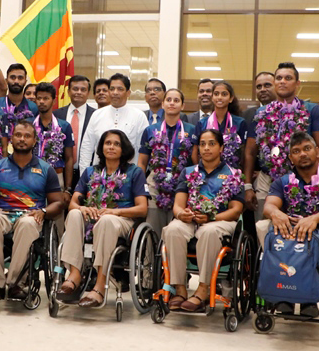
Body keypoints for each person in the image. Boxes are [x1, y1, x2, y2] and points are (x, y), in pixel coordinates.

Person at [257, 131, 319, 318]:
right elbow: (269, 206)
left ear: (317, 151)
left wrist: (314, 218)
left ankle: (316, 276)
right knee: (262, 225)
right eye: (296, 151)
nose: (302, 154)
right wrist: (277, 214)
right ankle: (282, 294)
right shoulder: (282, 182)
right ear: (291, 158)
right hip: (288, 237)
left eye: (307, 148)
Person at [56, 130, 148, 307]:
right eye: (107, 143)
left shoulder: (134, 172)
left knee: (106, 220)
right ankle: (74, 274)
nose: (111, 147)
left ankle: (100, 285)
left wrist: (115, 212)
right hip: (93, 217)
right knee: (75, 214)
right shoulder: (91, 171)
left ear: (124, 149)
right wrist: (82, 208)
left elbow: (142, 209)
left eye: (116, 144)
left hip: (121, 219)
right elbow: (73, 203)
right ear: (101, 147)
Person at [162, 128, 245, 313]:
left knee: (208, 232)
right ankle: (180, 288)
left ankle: (203, 288)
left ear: (221, 148)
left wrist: (211, 217)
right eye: (202, 144)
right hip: (191, 219)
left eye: (212, 144)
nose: (206, 148)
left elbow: (236, 210)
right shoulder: (189, 171)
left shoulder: (233, 174)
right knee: (173, 229)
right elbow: (178, 205)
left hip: (220, 220)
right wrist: (181, 214)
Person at [0, 120, 65, 298]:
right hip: (3, 213)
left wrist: (44, 211)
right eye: (18, 135)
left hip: (31, 215)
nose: (22, 139)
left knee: (27, 224)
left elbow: (58, 202)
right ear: (11, 139)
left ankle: (16, 282)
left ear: (35, 141)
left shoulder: (46, 169)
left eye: (27, 136)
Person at [243, 62, 319, 212]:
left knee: (299, 225)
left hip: (302, 177)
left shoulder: (313, 111)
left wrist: (316, 181)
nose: (282, 81)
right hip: (267, 179)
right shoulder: (261, 113)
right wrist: (248, 186)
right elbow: (250, 152)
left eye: (288, 78)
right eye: (279, 78)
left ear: (297, 83)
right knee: (264, 227)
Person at [138, 88, 194, 238]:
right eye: (169, 100)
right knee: (153, 228)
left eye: (176, 101)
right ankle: (150, 260)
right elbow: (142, 162)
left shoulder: (191, 130)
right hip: (155, 183)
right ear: (162, 104)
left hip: (182, 183)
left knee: (176, 229)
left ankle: (170, 260)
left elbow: (196, 161)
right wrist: (141, 187)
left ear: (182, 106)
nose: (172, 103)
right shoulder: (150, 130)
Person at [78, 73, 149, 172]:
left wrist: (138, 177)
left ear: (128, 93)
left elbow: (143, 152)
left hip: (128, 176)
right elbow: (87, 147)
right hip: (99, 178)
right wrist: (84, 176)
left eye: (120, 89)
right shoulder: (97, 115)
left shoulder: (139, 116)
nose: (115, 92)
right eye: (112, 89)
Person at [191, 80, 249, 170]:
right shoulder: (202, 123)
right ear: (212, 97)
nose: (220, 97)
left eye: (224, 94)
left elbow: (244, 152)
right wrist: (200, 171)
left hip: (232, 173)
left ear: (231, 98)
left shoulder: (240, 122)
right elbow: (195, 152)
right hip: (207, 172)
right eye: (216, 94)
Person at [33, 82, 74, 194]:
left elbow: (69, 158)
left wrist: (68, 189)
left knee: (56, 209)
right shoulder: (29, 125)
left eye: (46, 98)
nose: (42, 101)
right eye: (39, 98)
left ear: (54, 101)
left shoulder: (64, 126)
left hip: (56, 174)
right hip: (31, 173)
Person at [55, 75, 93, 183]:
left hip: (87, 173)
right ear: (68, 91)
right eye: (75, 89)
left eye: (83, 89)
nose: (79, 92)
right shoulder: (56, 115)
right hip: (60, 172)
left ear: (88, 93)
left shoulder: (96, 116)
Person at [0, 63, 37, 137]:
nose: (16, 81)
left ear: (25, 81)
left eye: (20, 78)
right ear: (6, 80)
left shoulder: (34, 108)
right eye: (12, 77)